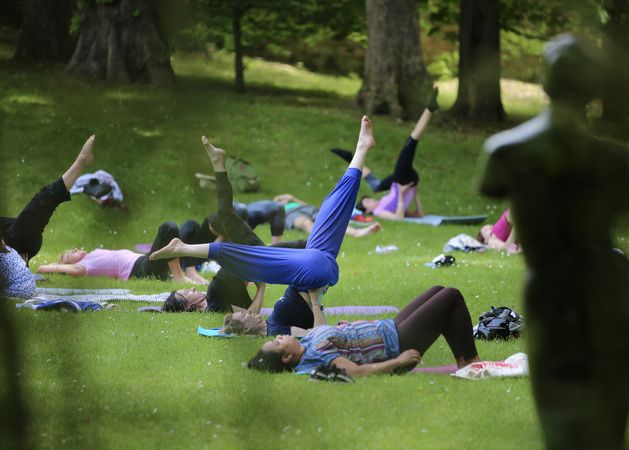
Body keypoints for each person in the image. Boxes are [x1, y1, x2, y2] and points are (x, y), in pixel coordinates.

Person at [479, 34, 629, 450]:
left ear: (544, 81)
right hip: (611, 284)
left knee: (565, 440)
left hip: (555, 287)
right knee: (605, 438)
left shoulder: (507, 151)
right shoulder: (616, 163)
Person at [150, 116, 376, 326]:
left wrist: (262, 282)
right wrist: (262, 285)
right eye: (185, 294)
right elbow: (252, 316)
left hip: (311, 265)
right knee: (230, 231)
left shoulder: (219, 289)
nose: (190, 290)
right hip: (300, 269)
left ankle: (362, 148)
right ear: (187, 305)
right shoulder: (215, 299)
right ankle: (185, 242)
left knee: (333, 205)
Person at [247, 286, 481, 376]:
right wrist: (398, 361)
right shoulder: (316, 356)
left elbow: (323, 330)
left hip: (388, 328)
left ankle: (464, 363)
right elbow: (358, 372)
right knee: (450, 296)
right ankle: (472, 362)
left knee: (439, 291)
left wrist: (347, 328)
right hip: (395, 345)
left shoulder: (306, 344)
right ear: (288, 357)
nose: (278, 337)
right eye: (277, 343)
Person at [1, 135, 96, 264]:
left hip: (16, 241)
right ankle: (81, 161)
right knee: (43, 200)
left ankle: (82, 160)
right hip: (17, 244)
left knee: (40, 204)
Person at [346, 87, 439, 220]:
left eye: (368, 199)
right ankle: (429, 109)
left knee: (411, 143)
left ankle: (429, 109)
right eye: (367, 203)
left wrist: (413, 194)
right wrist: (404, 194)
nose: (371, 200)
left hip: (404, 180)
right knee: (411, 142)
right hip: (403, 181)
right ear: (367, 211)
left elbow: (418, 215)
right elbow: (400, 218)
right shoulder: (378, 211)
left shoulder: (382, 201)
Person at [37, 221, 191, 282]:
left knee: (190, 227)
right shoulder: (84, 265)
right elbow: (44, 268)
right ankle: (178, 276)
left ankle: (190, 272)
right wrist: (51, 266)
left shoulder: (92, 254)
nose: (75, 249)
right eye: (70, 253)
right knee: (168, 228)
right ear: (68, 264)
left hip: (145, 259)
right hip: (141, 269)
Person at [271, 193, 380, 238]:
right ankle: (320, 240)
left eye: (284, 198)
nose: (284, 200)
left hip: (308, 209)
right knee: (306, 223)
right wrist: (277, 202)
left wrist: (292, 198)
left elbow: (306, 205)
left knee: (333, 219)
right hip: (290, 214)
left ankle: (357, 232)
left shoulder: (294, 202)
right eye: (281, 200)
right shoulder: (276, 208)